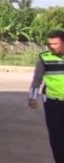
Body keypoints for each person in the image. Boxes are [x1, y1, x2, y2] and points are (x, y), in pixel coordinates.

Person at [28, 30, 64, 163]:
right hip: (53, 104)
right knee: (56, 138)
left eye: (55, 43)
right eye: (50, 44)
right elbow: (37, 79)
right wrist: (32, 97)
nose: (51, 46)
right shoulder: (45, 57)